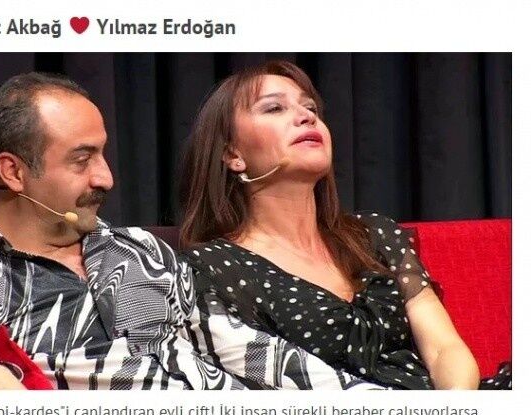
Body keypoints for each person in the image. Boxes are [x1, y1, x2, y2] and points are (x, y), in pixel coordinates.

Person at [179, 60, 511, 389]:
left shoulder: (374, 234)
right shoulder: (212, 268)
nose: (306, 116)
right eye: (275, 108)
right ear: (233, 154)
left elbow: (444, 350)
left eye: (310, 107)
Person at [0, 72, 250, 390]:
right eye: (82, 159)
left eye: (101, 155)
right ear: (13, 172)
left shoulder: (143, 249)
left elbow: (243, 348)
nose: (106, 179)